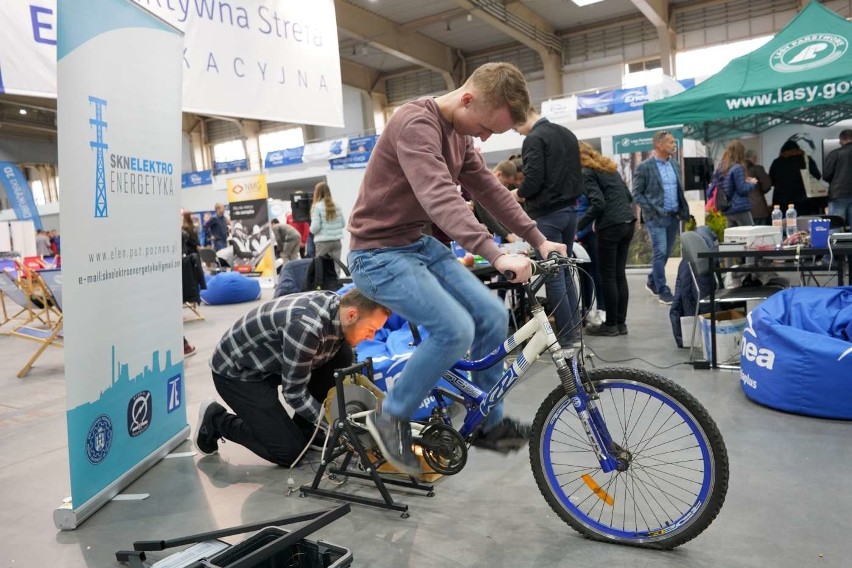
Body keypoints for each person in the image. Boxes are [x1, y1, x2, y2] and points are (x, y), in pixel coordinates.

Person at [347, 62, 566, 473]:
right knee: (455, 329)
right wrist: (496, 253)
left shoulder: (459, 134)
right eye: (484, 127)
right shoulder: (415, 123)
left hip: (417, 245)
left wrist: (538, 239)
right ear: (467, 98)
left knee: (491, 315)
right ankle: (390, 415)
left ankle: (488, 424)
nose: (483, 137)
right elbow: (439, 196)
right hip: (376, 254)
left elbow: (490, 189)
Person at [194, 288, 390, 466]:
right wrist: (335, 424)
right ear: (351, 315)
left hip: (273, 363)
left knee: (343, 355)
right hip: (240, 374)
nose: (372, 337)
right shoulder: (307, 327)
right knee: (290, 453)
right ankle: (216, 420)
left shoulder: (338, 310)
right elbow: (294, 392)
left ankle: (305, 432)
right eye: (371, 329)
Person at [512, 106, 583, 346]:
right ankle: (573, 331)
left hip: (548, 215)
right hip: (570, 212)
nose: (518, 132)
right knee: (564, 271)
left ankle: (566, 338)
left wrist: (516, 194)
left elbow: (533, 181)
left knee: (554, 276)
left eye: (515, 127)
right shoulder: (567, 133)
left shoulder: (535, 138)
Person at [576, 143, 636, 336]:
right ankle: (621, 324)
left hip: (611, 226)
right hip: (627, 222)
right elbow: (628, 196)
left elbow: (598, 203)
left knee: (608, 275)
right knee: (619, 274)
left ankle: (610, 325)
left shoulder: (586, 172)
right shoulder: (610, 169)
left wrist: (578, 227)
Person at [632, 130, 689, 305]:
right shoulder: (644, 167)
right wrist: (652, 210)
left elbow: (678, 190)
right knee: (661, 252)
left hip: (673, 216)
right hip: (655, 217)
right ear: (659, 144)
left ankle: (652, 280)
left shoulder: (674, 164)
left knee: (666, 253)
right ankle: (663, 289)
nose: (674, 145)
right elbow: (637, 193)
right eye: (671, 142)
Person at [769, 140, 824, 215]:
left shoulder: (777, 162)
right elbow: (817, 176)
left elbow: (771, 181)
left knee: (785, 223)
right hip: (804, 199)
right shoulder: (806, 160)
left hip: (782, 200)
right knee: (805, 223)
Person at [713, 140, 757, 228]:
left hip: (727, 208)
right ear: (741, 153)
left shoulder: (720, 168)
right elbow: (742, 189)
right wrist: (752, 183)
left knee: (732, 239)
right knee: (749, 236)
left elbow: (721, 186)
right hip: (740, 207)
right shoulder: (737, 167)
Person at [310, 181, 346, 270]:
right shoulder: (337, 205)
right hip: (336, 241)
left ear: (317, 193)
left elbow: (315, 228)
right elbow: (343, 224)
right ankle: (337, 283)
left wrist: (310, 229)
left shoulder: (317, 207)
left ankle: (324, 284)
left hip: (323, 242)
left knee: (322, 268)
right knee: (336, 267)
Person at [823, 129, 852, 225]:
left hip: (838, 193)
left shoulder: (834, 153)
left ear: (841, 140)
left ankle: (835, 240)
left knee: (835, 226)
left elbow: (826, 175)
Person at [745, 150, 773, 225]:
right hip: (758, 208)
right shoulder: (758, 169)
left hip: (744, 209)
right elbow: (767, 185)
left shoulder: (739, 169)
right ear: (754, 158)